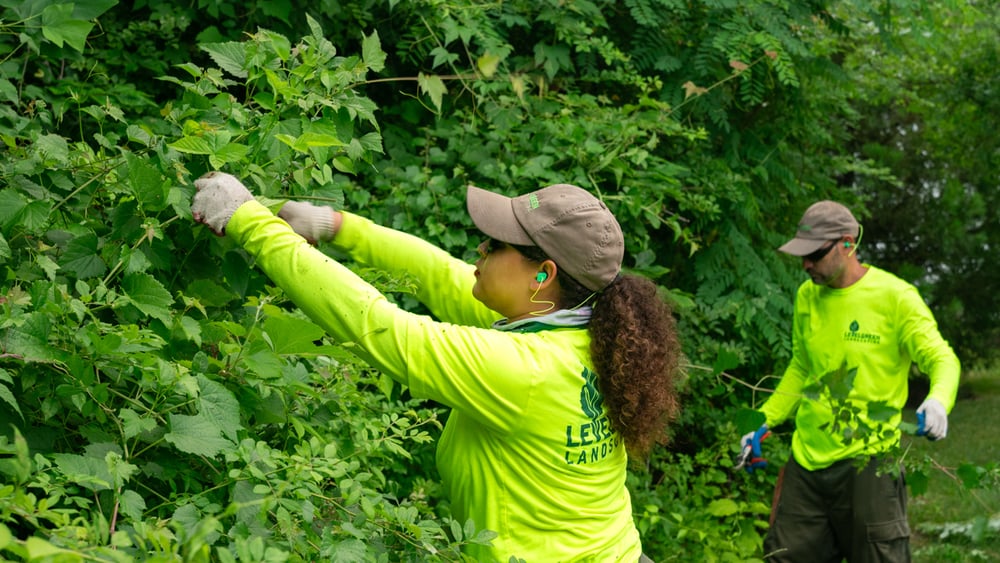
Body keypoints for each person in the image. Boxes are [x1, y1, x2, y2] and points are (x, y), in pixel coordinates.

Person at [191, 171, 681, 562]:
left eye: (496, 245)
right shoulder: (590, 334)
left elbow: (379, 328)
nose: (480, 250)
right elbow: (439, 274)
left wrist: (250, 222)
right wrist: (335, 226)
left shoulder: (523, 369)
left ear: (543, 274)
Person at [739, 200, 960, 562]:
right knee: (782, 555)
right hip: (807, 464)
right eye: (802, 255)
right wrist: (763, 419)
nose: (806, 264)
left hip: (869, 462)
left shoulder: (896, 298)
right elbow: (801, 367)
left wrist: (938, 400)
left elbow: (942, 358)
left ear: (847, 244)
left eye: (815, 254)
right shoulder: (807, 295)